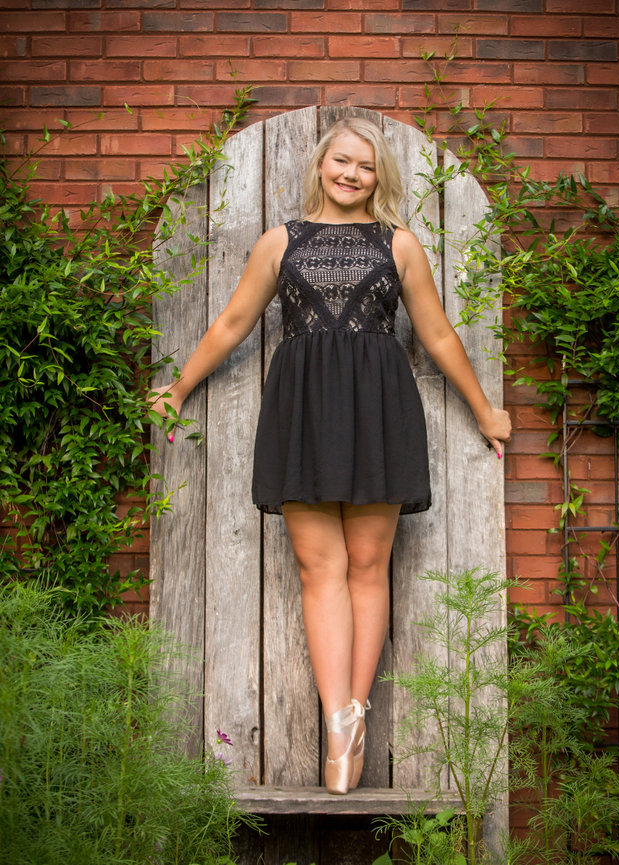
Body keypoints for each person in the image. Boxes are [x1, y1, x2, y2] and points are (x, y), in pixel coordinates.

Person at [149, 117, 512, 795]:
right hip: (304, 409)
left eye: (365, 167)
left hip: (378, 408)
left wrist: (484, 408)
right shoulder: (278, 242)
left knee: (368, 566)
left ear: (379, 178)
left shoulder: (400, 244)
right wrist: (177, 387)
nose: (351, 175)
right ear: (321, 165)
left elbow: (434, 332)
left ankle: (353, 717)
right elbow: (231, 322)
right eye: (342, 162)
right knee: (321, 570)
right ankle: (338, 724)